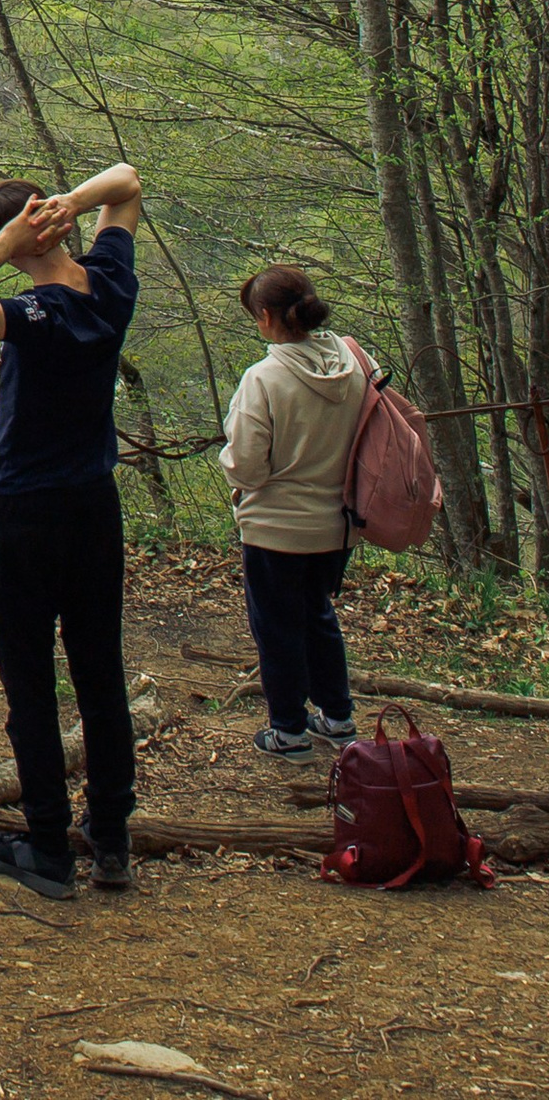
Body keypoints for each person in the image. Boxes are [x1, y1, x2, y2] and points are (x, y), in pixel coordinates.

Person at [0, 161, 143, 899]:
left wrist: (5, 243)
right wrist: (70, 206)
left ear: (12, 239)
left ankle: (49, 846)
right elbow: (127, 181)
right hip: (94, 506)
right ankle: (111, 840)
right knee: (99, 674)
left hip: (27, 513)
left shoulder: (36, 314)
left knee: (31, 683)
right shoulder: (109, 284)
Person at [221, 264, 368, 756]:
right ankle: (338, 718)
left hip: (275, 529)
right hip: (337, 524)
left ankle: (288, 730)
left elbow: (246, 466)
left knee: (278, 627)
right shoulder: (354, 363)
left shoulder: (264, 377)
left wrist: (232, 466)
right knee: (318, 616)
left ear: (265, 316)